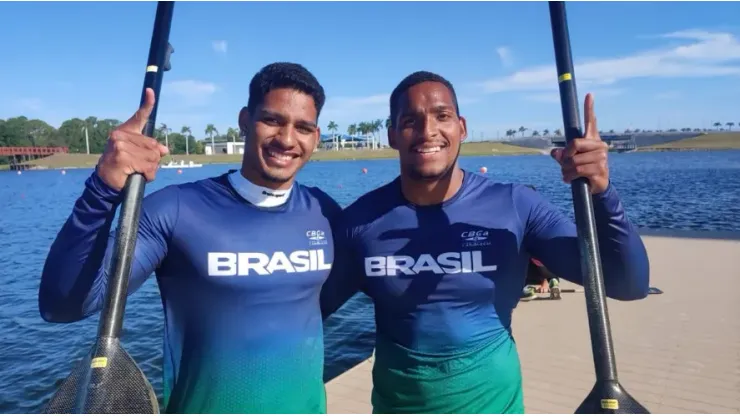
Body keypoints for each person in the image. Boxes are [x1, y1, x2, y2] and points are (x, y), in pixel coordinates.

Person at [320, 71, 650, 413]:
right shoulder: (361, 223)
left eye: (442, 116)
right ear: (392, 135)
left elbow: (627, 282)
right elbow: (301, 313)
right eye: (410, 120)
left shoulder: (516, 206)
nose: (428, 130)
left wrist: (601, 191)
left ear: (462, 127)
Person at [38, 62, 342, 413]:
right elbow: (62, 305)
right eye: (272, 120)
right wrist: (103, 188)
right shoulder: (177, 210)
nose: (287, 139)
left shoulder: (324, 211)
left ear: (316, 137)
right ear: (245, 120)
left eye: (303, 127)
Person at [520, 184, 561, 301]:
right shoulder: (544, 210)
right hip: (547, 263)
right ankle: (552, 280)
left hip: (534, 262)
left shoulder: (521, 212)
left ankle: (525, 289)